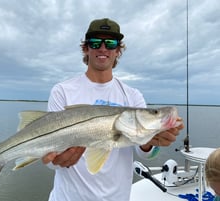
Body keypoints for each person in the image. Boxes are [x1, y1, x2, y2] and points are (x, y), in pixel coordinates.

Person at [42, 18, 184, 201]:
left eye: (110, 43)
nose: (103, 48)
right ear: (86, 48)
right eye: (95, 43)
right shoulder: (62, 91)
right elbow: (50, 159)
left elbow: (147, 153)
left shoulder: (132, 96)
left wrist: (153, 141)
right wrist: (56, 161)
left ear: (118, 50)